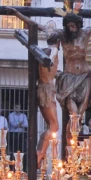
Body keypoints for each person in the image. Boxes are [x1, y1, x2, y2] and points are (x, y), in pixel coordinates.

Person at [8, 6, 91, 117]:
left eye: (73, 25)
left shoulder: (86, 33)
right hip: (69, 77)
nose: (71, 28)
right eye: (68, 26)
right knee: (73, 113)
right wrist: (18, 14)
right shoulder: (62, 35)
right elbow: (37, 25)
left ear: (78, 25)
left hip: (85, 76)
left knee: (79, 114)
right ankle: (71, 140)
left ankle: (72, 141)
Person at [37, 40, 60, 168]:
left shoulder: (42, 51)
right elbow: (50, 59)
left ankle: (41, 150)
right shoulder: (53, 51)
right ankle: (41, 152)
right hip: (47, 91)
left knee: (51, 125)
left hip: (44, 88)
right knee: (54, 126)